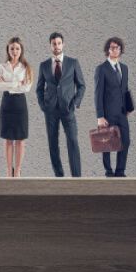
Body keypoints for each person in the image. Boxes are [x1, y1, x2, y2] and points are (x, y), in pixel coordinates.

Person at [36, 32, 86, 177]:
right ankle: (59, 176)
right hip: (50, 110)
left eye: (59, 43)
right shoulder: (44, 65)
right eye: (54, 44)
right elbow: (39, 88)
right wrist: (43, 105)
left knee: (73, 141)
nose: (56, 46)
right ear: (50, 46)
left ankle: (77, 178)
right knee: (53, 143)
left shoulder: (73, 62)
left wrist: (75, 103)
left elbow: (81, 85)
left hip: (68, 108)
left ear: (63, 44)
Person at [0, 37, 35, 177]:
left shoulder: (26, 67)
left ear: (21, 50)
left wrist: (8, 83)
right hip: (6, 103)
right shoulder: (2, 67)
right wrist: (17, 83)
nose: (15, 51)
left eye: (17, 48)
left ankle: (17, 170)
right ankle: (8, 170)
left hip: (20, 104)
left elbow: (27, 87)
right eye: (12, 48)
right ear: (8, 50)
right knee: (7, 139)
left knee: (20, 139)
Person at [94, 37, 133, 177]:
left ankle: (120, 170)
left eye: (117, 47)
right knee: (107, 143)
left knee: (126, 141)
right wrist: (100, 116)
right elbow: (98, 94)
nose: (114, 50)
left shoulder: (124, 68)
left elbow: (125, 89)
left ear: (120, 49)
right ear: (107, 50)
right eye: (111, 47)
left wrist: (129, 107)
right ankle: (108, 171)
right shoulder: (101, 69)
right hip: (107, 113)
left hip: (122, 113)